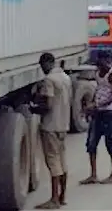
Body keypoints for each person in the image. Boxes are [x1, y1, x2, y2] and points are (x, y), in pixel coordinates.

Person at [31, 52, 73, 209]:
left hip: (50, 126)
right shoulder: (66, 78)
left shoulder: (49, 80)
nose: (42, 69)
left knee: (53, 162)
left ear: (47, 63)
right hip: (63, 125)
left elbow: (47, 105)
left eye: (42, 65)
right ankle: (62, 197)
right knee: (62, 161)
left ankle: (54, 199)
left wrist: (34, 109)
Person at [79, 51, 112, 185]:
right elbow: (98, 89)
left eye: (102, 62)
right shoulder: (98, 73)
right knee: (91, 144)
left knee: (111, 144)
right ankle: (93, 174)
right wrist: (92, 104)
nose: (100, 65)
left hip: (108, 113)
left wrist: (96, 105)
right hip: (98, 113)